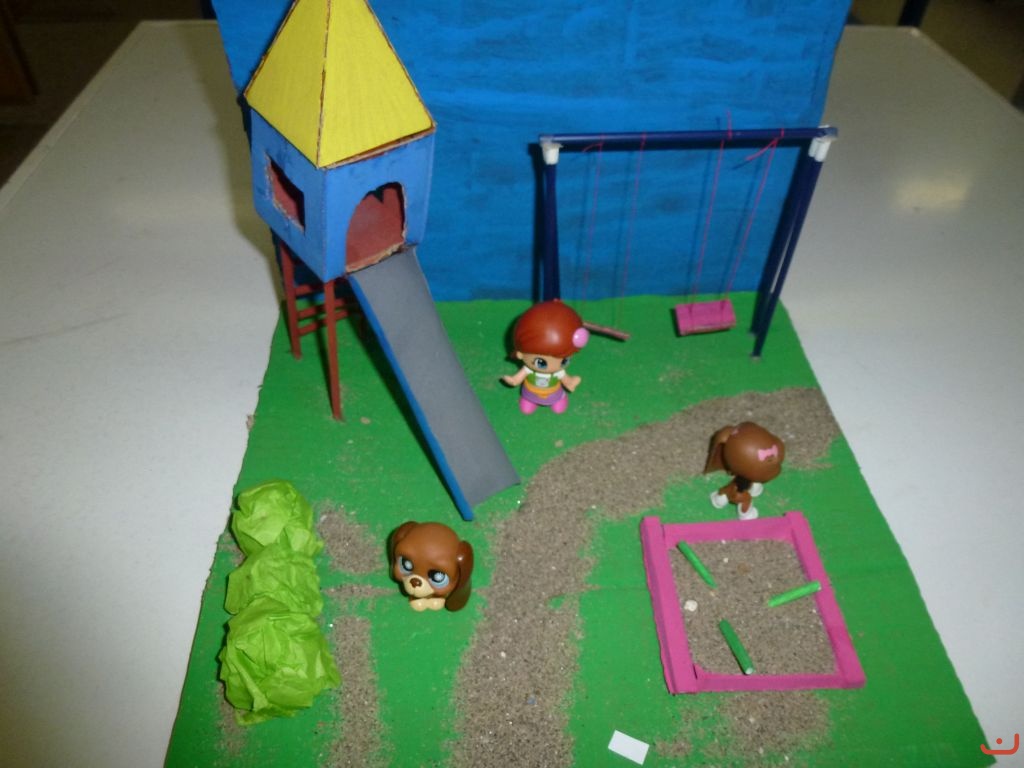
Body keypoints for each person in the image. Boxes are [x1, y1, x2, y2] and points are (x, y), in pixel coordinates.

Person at [501, 300, 589, 415]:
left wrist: (570, 382)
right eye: (541, 362)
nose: (554, 367)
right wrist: (513, 380)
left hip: (553, 393)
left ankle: (560, 399)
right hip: (531, 392)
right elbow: (517, 378)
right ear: (520, 354)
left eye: (564, 361)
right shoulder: (528, 370)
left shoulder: (559, 372)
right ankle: (529, 400)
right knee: (527, 406)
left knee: (558, 406)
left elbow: (565, 379)